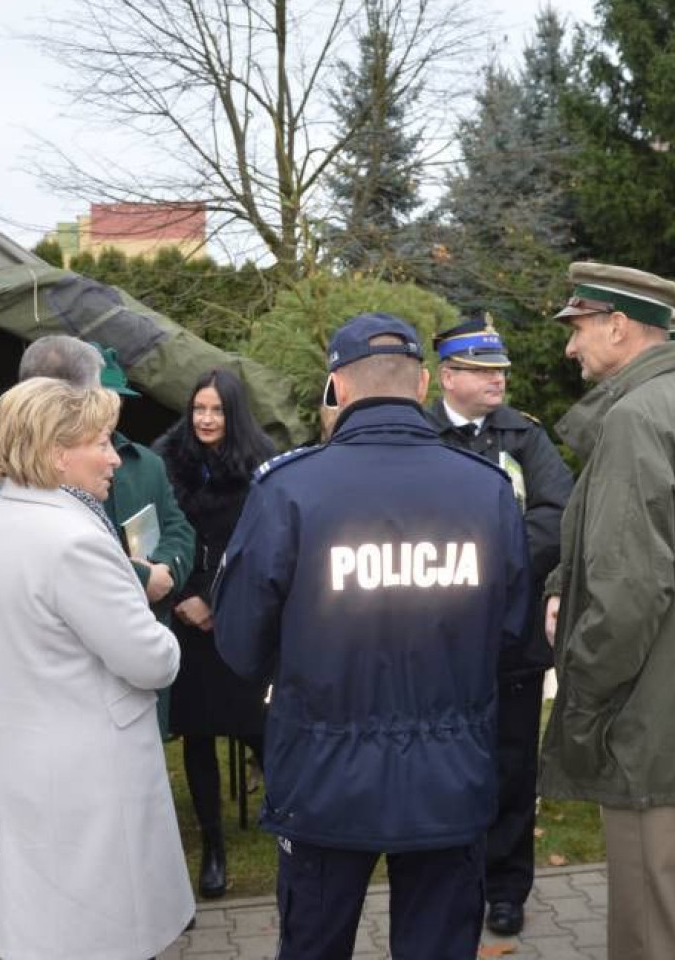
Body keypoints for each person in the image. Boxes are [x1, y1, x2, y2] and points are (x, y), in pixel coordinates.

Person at [214, 312, 531, 960]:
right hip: (450, 777)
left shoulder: (290, 490)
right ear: (420, 386)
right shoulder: (486, 490)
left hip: (323, 778)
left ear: (338, 390)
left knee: (313, 947)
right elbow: (512, 635)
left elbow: (240, 642)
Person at [539, 262, 675, 960]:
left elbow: (628, 594)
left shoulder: (637, 419)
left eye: (576, 329)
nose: (570, 347)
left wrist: (583, 697)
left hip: (657, 733)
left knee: (654, 935)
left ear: (617, 325)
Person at [0, 378, 194, 960]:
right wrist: (160, 628)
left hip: (20, 771)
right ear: (57, 451)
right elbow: (151, 661)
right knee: (97, 937)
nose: (112, 458)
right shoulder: (74, 539)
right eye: (101, 442)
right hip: (86, 788)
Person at [427, 315, 573, 937]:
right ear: (448, 376)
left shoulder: (524, 437)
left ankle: (507, 886)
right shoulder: (421, 436)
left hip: (512, 636)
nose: (499, 380)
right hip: (437, 637)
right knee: (444, 759)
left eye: (502, 370)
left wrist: (493, 559)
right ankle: (449, 880)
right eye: (485, 370)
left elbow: (558, 511)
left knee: (513, 765)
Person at [17, 336, 196, 736]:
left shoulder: (144, 462)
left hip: (141, 639)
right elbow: (68, 561)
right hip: (70, 694)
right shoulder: (21, 484)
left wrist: (167, 568)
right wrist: (142, 579)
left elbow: (178, 527)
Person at [153, 368, 274, 899]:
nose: (205, 419)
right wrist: (182, 597)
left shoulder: (261, 465)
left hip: (237, 617)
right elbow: (153, 532)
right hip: (183, 618)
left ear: (234, 413)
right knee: (197, 735)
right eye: (198, 409)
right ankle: (214, 850)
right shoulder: (164, 459)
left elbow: (260, 543)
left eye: (217, 410)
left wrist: (216, 599)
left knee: (261, 725)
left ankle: (296, 817)